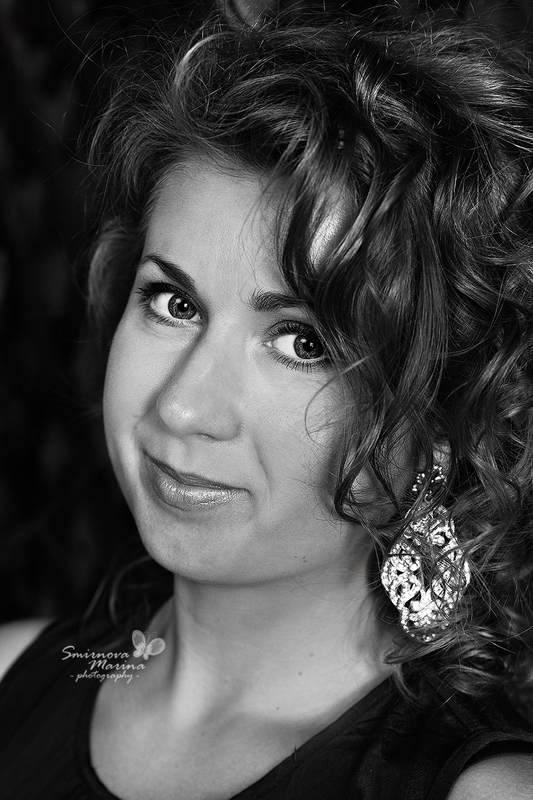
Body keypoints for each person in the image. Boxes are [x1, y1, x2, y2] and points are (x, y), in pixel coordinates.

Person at [1, 7, 533, 799]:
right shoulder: (14, 673)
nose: (181, 409)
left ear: (438, 425)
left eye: (302, 342)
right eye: (174, 304)